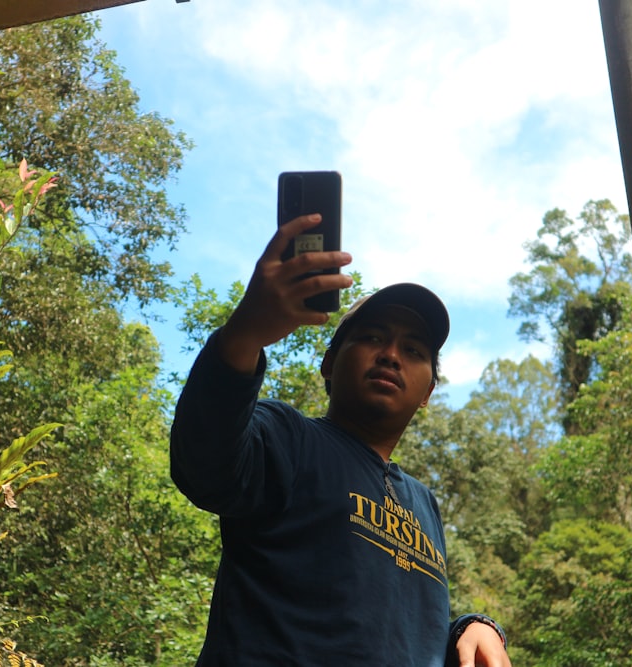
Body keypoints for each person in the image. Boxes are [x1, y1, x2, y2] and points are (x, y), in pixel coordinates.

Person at [170, 213, 512, 666]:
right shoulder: (288, 437)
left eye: (413, 350)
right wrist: (245, 333)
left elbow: (399, 627)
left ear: (428, 392)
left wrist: (470, 627)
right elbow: (205, 465)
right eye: (372, 337)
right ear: (329, 364)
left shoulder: (423, 503)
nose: (391, 355)